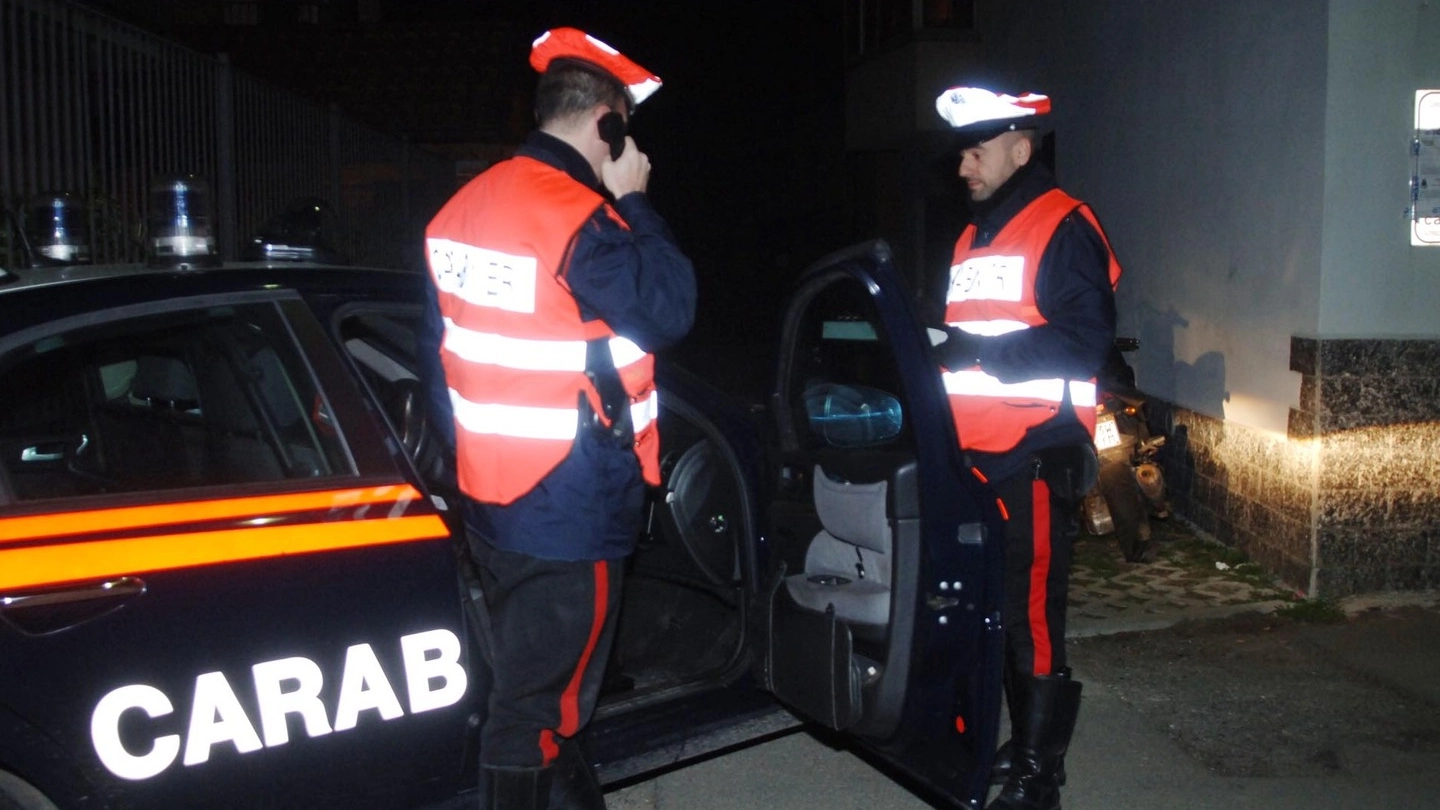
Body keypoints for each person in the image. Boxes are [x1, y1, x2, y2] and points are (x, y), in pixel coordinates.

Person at [419, 27, 696, 810]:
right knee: (535, 715)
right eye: (626, 129)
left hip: (495, 497)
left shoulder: (461, 209)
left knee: (537, 696)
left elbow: (436, 357)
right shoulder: (576, 215)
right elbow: (671, 307)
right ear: (608, 125)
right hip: (571, 509)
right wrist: (637, 199)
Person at [929, 86, 1121, 810]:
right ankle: (1018, 747)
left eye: (976, 151)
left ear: (1020, 147)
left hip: (1034, 451)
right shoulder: (969, 240)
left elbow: (1084, 338)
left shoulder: (1063, 224)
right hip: (972, 458)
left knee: (1031, 615)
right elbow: (971, 346)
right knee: (994, 614)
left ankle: (1040, 777)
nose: (963, 167)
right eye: (961, 153)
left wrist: (978, 350)